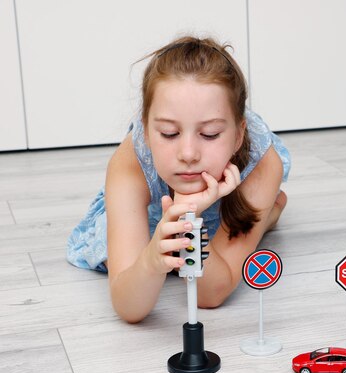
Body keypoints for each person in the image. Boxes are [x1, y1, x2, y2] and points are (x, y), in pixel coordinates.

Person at [67, 36, 291, 323]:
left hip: (227, 199)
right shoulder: (129, 164)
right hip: (157, 216)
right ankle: (265, 216)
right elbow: (129, 307)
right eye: (169, 134)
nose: (188, 154)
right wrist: (150, 262)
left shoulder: (261, 164)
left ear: (237, 136)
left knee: (232, 225)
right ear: (146, 131)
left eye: (209, 134)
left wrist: (187, 220)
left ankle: (262, 216)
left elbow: (210, 296)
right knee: (146, 254)